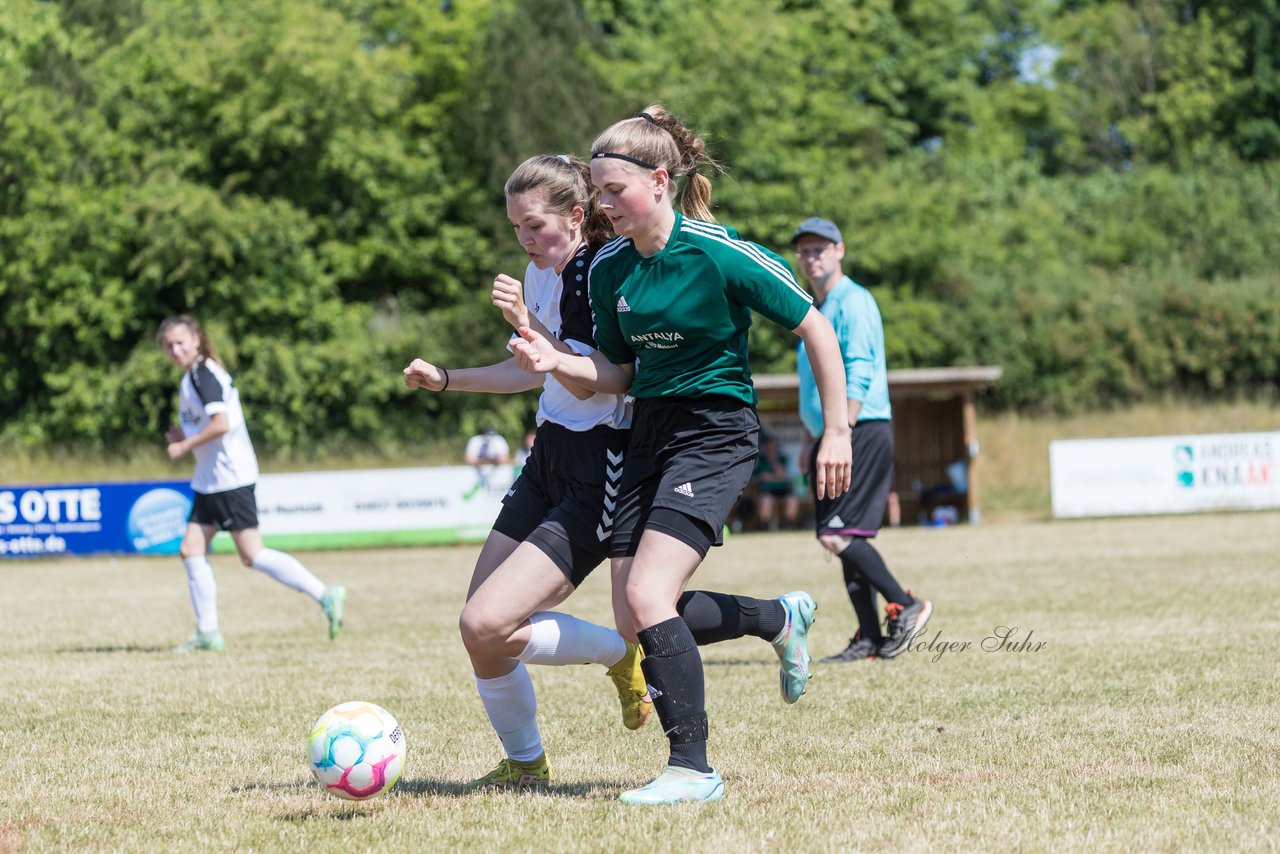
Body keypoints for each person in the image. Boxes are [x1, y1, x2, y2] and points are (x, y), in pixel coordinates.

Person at [511, 105, 853, 805]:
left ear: (660, 181)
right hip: (649, 430)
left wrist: (839, 430)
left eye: (614, 191)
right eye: (597, 194)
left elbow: (815, 329)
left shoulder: (719, 251)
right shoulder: (608, 269)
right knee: (637, 616)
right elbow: (616, 375)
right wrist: (553, 361)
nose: (602, 206)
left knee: (646, 595)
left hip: (716, 429)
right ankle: (779, 619)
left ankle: (692, 769)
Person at [402, 154, 650, 790]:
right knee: (482, 632)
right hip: (548, 456)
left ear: (575, 216)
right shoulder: (536, 273)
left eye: (534, 226)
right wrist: (449, 380)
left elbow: (596, 381)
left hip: (600, 462)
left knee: (485, 623)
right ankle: (526, 764)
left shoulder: (604, 271)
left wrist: (525, 324)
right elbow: (531, 368)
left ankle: (621, 653)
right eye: (515, 229)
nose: (525, 240)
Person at [156, 315, 346, 653]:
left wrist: (183, 446)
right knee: (191, 549)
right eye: (169, 345)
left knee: (252, 554)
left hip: (228, 479)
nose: (175, 349)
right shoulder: (194, 376)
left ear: (197, 340)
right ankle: (208, 633)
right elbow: (207, 425)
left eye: (181, 342)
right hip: (210, 481)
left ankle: (324, 594)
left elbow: (221, 424)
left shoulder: (203, 374)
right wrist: (183, 433)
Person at [791, 217, 932, 664]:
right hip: (831, 434)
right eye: (805, 250)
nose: (811, 257)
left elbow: (861, 368)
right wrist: (810, 438)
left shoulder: (854, 302)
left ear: (840, 250)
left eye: (820, 248)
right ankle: (870, 638)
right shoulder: (818, 309)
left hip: (859, 428)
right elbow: (815, 387)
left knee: (835, 533)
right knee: (842, 534)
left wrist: (841, 432)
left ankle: (906, 604)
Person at [753, 433, 801, 531]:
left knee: (792, 499)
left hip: (784, 489)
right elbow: (759, 476)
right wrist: (775, 476)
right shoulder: (761, 459)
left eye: (774, 446)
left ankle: (788, 524)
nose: (772, 448)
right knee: (766, 500)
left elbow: (785, 475)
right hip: (768, 490)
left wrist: (773, 461)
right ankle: (766, 526)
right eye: (769, 446)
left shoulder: (784, 458)